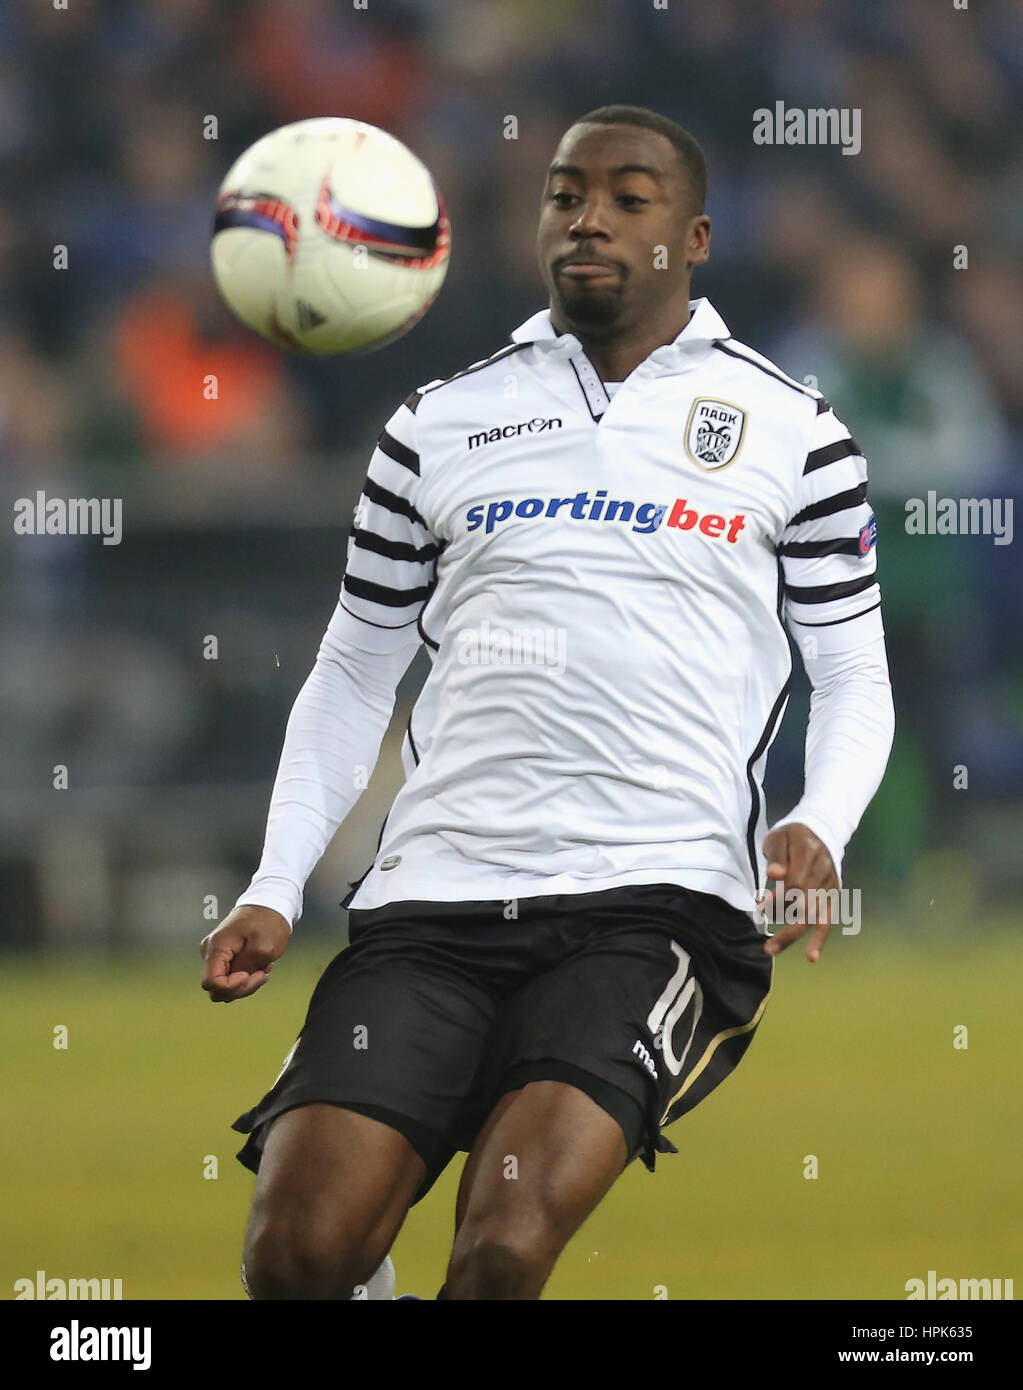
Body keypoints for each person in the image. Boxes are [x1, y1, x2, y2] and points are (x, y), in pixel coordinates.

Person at [200, 104, 895, 1301]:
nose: (589, 220)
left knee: (503, 1249)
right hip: (435, 901)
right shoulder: (438, 423)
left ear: (697, 234)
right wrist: (275, 880)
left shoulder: (796, 431)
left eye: (629, 199)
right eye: (567, 195)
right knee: (296, 1259)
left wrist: (819, 821)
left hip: (655, 907)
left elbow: (853, 672)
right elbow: (356, 667)